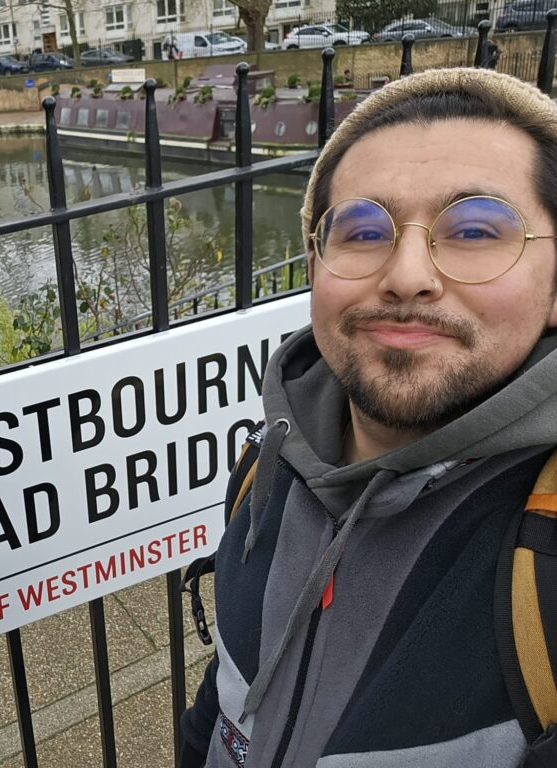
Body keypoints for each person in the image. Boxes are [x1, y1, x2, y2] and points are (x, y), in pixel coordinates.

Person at [180, 68, 557, 768]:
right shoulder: (269, 465)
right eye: (361, 230)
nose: (407, 273)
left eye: (475, 229)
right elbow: (225, 700)